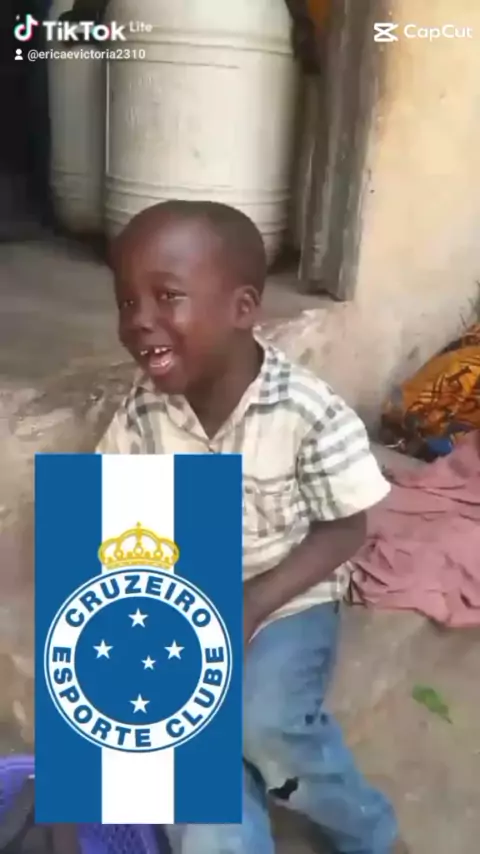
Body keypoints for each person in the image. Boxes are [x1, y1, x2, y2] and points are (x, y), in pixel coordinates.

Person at [96, 200, 405, 854]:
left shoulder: (306, 412)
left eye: (167, 296)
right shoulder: (144, 411)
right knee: (186, 753)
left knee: (265, 726)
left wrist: (252, 603)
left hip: (288, 597)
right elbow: (117, 506)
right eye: (127, 301)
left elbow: (347, 529)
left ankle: (370, 833)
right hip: (189, 597)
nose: (139, 319)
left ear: (242, 309)